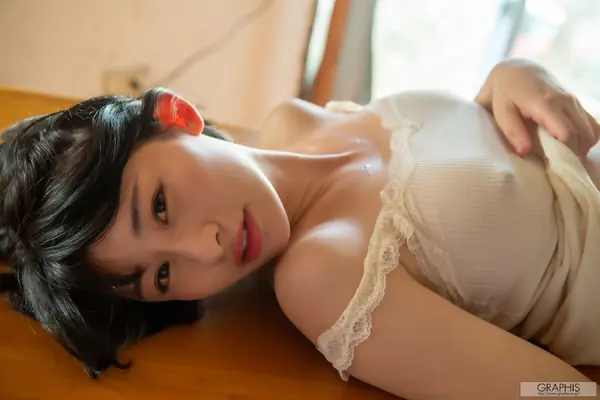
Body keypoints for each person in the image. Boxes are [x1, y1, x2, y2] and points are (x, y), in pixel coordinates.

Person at [1, 58, 599, 399]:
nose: (206, 249)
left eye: (160, 206)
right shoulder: (321, 280)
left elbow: (501, 189)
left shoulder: (294, 120)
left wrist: (509, 77)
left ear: (174, 116)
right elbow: (553, 393)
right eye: (162, 276)